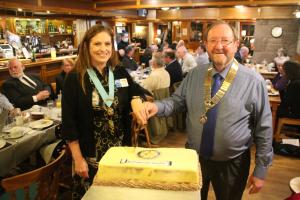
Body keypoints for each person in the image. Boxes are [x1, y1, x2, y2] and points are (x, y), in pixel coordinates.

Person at [137, 20, 273, 200]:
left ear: (236, 44)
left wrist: (261, 169)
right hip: (194, 158)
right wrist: (156, 106)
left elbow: (264, 128)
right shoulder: (195, 74)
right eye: (213, 40)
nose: (219, 46)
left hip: (233, 163)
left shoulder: (253, 81)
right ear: (206, 44)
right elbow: (177, 101)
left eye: (225, 41)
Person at [61, 25, 149, 199]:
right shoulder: (75, 78)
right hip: (90, 155)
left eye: (107, 44)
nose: (103, 49)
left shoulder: (119, 72)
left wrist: (136, 99)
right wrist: (78, 159)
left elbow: (137, 90)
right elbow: (68, 123)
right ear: (87, 46)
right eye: (97, 44)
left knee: (119, 194)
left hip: (121, 151)